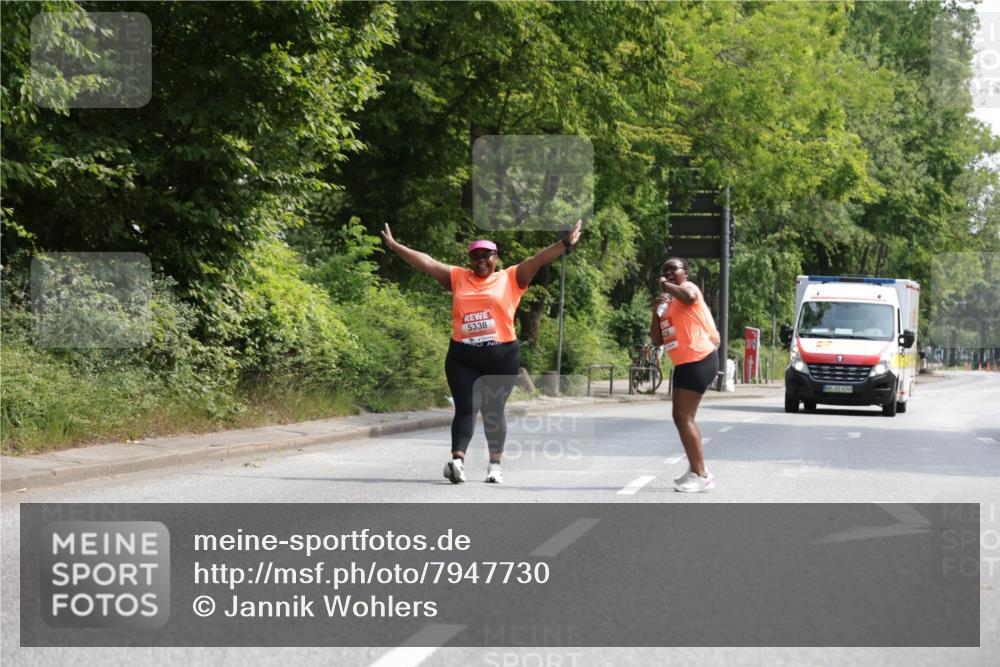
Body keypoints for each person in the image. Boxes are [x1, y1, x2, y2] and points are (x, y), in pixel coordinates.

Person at [381, 220, 583, 484]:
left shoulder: (511, 277)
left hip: (501, 357)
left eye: (486, 256)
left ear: (495, 258)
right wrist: (396, 246)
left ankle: (495, 467)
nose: (480, 262)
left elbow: (537, 260)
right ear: (470, 261)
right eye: (475, 257)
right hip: (463, 356)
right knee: (465, 409)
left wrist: (564, 243)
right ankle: (457, 462)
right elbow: (427, 263)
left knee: (492, 412)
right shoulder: (457, 277)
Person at [650, 257, 721, 492]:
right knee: (680, 417)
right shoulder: (668, 303)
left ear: (686, 274)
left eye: (674, 269)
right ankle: (696, 469)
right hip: (684, 363)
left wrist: (664, 284)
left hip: (699, 359)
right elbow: (657, 339)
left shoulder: (690, 289)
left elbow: (688, 297)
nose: (669, 272)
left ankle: (701, 475)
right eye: (665, 269)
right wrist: (656, 312)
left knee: (684, 418)